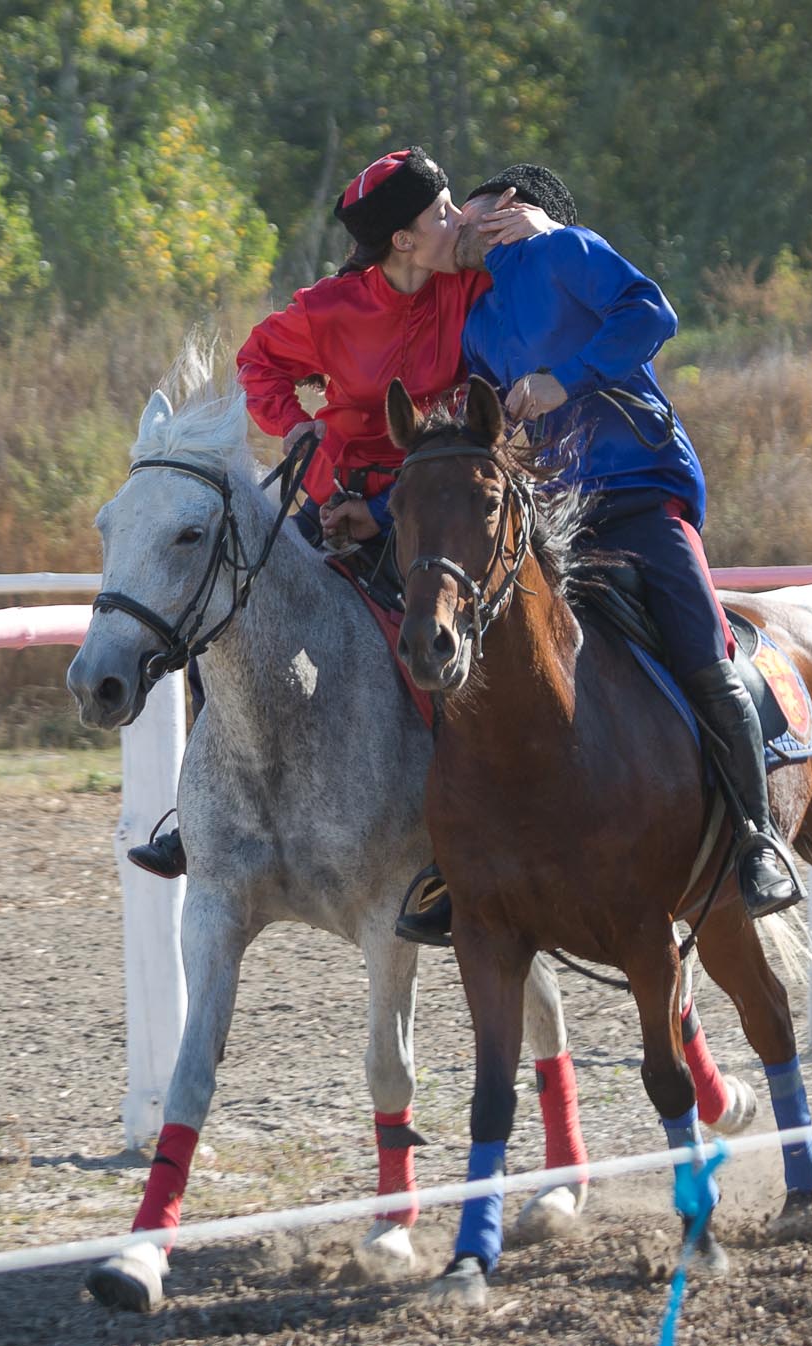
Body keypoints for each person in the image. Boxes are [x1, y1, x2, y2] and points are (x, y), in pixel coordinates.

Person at [392, 165, 804, 942]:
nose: (452, 224)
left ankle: (757, 839)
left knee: (703, 653)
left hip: (642, 497)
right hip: (557, 518)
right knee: (488, 656)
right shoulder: (478, 323)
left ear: (507, 208)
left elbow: (654, 314)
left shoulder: (566, 251)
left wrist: (561, 379)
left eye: (463, 206)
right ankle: (463, 860)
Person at [125, 148, 552, 879]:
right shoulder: (328, 308)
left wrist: (541, 229)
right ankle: (197, 816)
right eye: (444, 211)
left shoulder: (473, 286)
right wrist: (296, 428)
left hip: (426, 507)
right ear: (404, 242)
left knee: (440, 639)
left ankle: (460, 832)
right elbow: (257, 361)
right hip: (330, 495)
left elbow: (550, 283)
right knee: (226, 612)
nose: (459, 221)